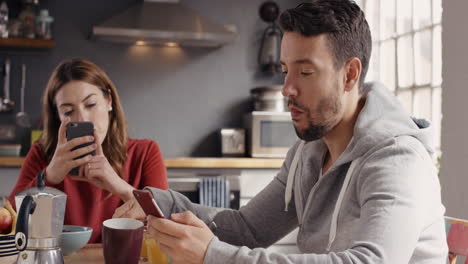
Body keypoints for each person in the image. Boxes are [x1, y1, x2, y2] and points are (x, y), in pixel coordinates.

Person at [114, 1, 447, 263]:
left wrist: (212, 256)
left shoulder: (397, 159)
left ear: (349, 74)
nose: (287, 88)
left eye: (305, 71)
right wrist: (165, 201)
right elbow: (248, 229)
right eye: (286, 71)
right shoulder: (310, 151)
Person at [9, 58, 168, 243]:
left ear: (109, 101)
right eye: (68, 111)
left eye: (91, 105)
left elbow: (166, 225)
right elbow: (9, 222)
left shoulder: (145, 152)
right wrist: (48, 177)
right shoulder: (41, 154)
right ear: (58, 116)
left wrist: (120, 187)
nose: (83, 118)